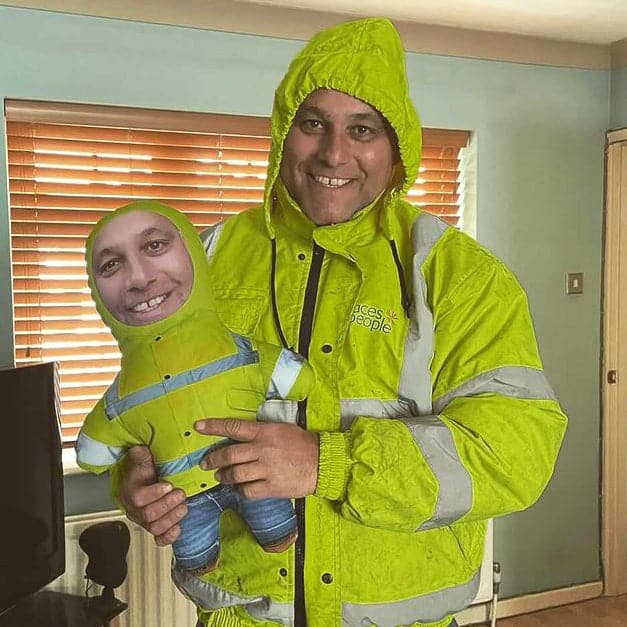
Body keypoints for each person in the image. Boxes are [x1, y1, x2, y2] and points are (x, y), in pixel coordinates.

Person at [113, 17, 568, 627]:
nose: (334, 153)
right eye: (313, 124)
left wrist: (329, 463)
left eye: (362, 129)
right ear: (284, 133)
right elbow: (150, 400)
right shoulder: (206, 261)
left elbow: (515, 452)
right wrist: (137, 478)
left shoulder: (457, 275)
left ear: (396, 147)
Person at [76, 201, 315, 576]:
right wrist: (135, 488)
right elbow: (121, 454)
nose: (139, 279)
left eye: (154, 246)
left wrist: (328, 462)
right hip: (230, 598)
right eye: (110, 265)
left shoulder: (419, 247)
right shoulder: (217, 245)